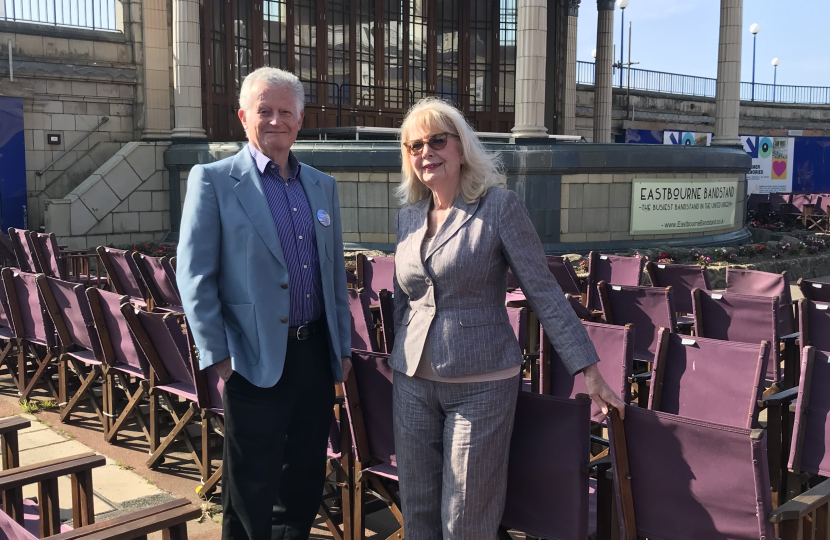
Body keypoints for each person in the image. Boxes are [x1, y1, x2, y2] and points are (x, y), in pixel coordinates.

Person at [390, 98, 625, 540]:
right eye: (414, 145)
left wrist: (588, 369)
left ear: (462, 147)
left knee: (465, 519)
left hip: (480, 385)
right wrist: (395, 358)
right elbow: (408, 299)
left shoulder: (499, 207)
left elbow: (543, 291)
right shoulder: (407, 217)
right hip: (412, 383)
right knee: (418, 512)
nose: (426, 152)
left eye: (437, 140)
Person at [176, 67, 351, 540]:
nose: (276, 120)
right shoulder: (212, 180)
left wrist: (344, 351)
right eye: (264, 111)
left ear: (300, 120)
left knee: (304, 479)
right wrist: (219, 357)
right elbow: (194, 276)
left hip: (314, 354)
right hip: (251, 359)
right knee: (251, 486)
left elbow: (333, 274)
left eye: (286, 112)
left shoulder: (322, 186)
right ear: (243, 117)